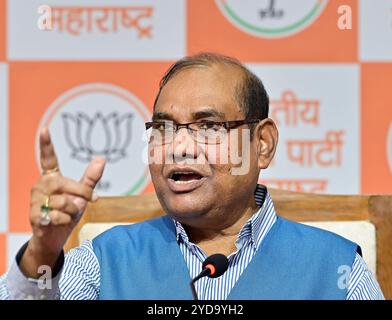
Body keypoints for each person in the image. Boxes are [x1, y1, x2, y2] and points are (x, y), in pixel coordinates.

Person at [0, 53, 384, 300]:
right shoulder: (103, 262)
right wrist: (42, 252)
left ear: (263, 144)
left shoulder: (338, 270)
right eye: (164, 129)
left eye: (208, 127)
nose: (179, 147)